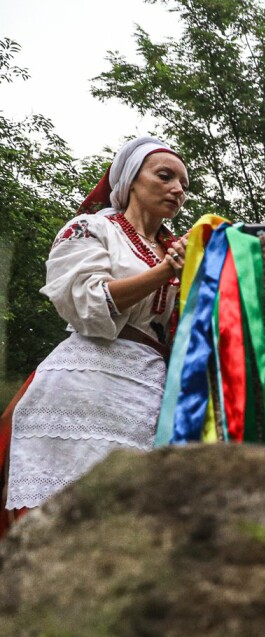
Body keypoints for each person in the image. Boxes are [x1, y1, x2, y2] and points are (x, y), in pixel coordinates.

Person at [4, 136, 188, 518]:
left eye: (184, 185)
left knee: (126, 511)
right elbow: (86, 302)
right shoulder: (92, 228)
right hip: (86, 380)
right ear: (130, 180)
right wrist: (165, 271)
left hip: (149, 386)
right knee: (63, 505)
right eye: (165, 176)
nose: (177, 189)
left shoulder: (179, 249)